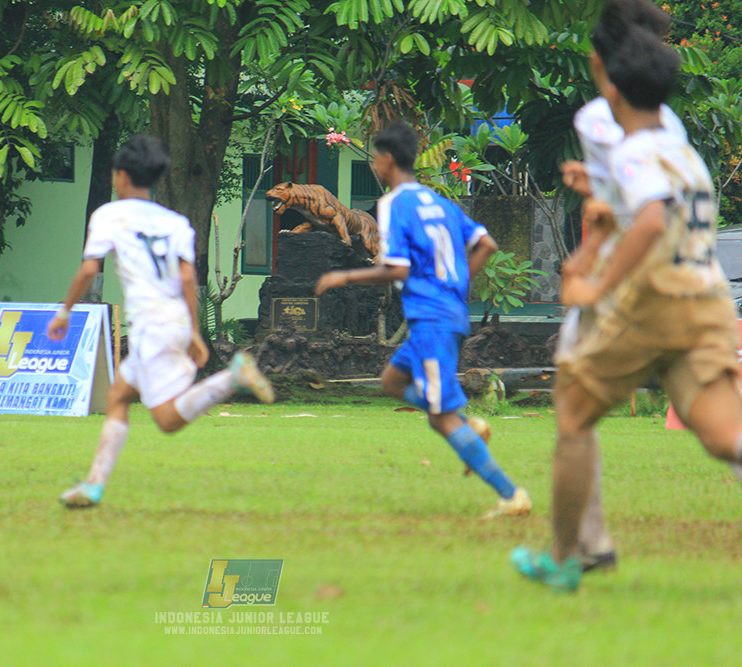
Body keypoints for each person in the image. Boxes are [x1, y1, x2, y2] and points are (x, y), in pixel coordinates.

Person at [513, 8, 742, 592]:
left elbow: (649, 216)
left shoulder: (632, 149)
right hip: (708, 301)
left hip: (654, 305)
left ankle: (566, 558)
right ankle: (575, 551)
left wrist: (597, 283)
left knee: (572, 417)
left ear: (610, 82)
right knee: (725, 438)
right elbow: (663, 208)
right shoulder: (681, 151)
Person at [315, 121, 532, 519]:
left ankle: (510, 494)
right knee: (392, 381)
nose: (375, 166)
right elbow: (486, 243)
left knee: (439, 418)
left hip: (433, 320)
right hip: (442, 314)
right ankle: (472, 426)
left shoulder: (395, 203)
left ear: (386, 159)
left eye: (376, 158)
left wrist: (343, 276)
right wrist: (457, 285)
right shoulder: (440, 202)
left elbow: (396, 270)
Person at [46, 134, 275, 509]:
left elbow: (90, 268)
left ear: (120, 176)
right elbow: (187, 278)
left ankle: (231, 378)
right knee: (118, 396)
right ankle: (93, 485)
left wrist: (64, 310)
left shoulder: (108, 215)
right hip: (171, 320)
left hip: (152, 325)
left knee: (167, 420)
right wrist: (194, 330)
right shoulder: (175, 222)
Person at [554, 0, 684, 576]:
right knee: (713, 415)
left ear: (606, 56)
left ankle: (585, 544)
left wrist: (590, 277)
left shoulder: (595, 118)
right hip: (680, 275)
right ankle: (590, 541)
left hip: (624, 278)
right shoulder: (668, 119)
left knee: (574, 412)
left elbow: (635, 212)